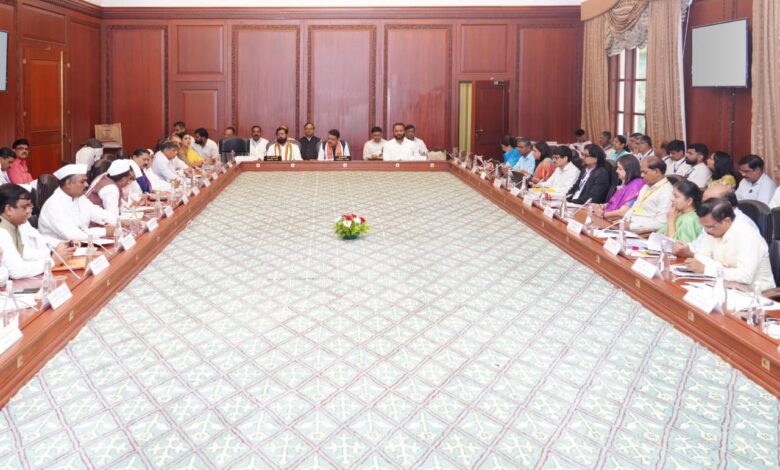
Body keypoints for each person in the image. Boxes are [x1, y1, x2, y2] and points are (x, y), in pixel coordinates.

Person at [684, 198, 775, 289]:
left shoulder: (748, 236)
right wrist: (721, 268)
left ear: (727, 221)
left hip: (756, 293)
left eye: (710, 227)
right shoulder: (712, 232)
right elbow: (700, 256)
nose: (706, 231)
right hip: (723, 286)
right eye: (704, 226)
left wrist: (707, 269)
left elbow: (745, 277)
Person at [0, 184, 75, 279]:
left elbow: (25, 254)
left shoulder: (15, 224)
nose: (29, 211)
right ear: (9, 209)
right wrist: (52, 261)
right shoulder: (2, 232)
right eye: (24, 207)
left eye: (30, 206)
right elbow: (16, 271)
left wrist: (54, 253)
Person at [38, 164, 116, 242]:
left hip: (82, 244)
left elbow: (99, 213)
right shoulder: (54, 205)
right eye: (82, 182)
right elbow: (74, 235)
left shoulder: (79, 198)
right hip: (56, 248)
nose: (87, 184)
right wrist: (105, 231)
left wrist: (119, 221)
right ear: (68, 184)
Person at [622, 156, 673, 232]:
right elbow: (635, 206)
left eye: (645, 172)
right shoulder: (646, 186)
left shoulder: (667, 192)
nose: (642, 175)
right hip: (628, 227)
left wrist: (631, 226)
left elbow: (662, 223)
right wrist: (624, 220)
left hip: (642, 232)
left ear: (656, 171)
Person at [593, 155, 644, 220]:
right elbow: (614, 203)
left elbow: (622, 212)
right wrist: (600, 206)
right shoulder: (627, 184)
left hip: (617, 222)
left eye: (620, 169)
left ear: (629, 170)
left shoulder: (636, 185)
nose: (616, 171)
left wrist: (603, 214)